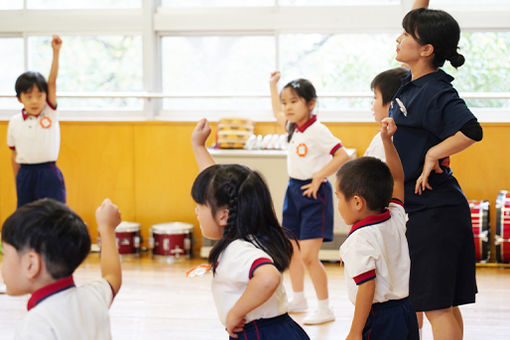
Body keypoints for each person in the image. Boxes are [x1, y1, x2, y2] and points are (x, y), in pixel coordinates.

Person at [390, 1, 483, 339]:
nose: (397, 38)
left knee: (435, 305)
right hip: (423, 208)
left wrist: (433, 154)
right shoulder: (413, 83)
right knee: (439, 303)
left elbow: (472, 129)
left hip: (435, 211)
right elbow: (414, 21)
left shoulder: (437, 90)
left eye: (406, 34)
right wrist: (418, 11)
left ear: (426, 49)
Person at [191, 118, 310, 340]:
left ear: (224, 215)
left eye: (200, 206)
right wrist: (199, 147)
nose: (197, 211)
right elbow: (218, 189)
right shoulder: (253, 235)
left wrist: (236, 312)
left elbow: (268, 277)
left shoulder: (238, 249)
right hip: (279, 330)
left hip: (259, 334)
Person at [269, 71, 350, 324]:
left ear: (310, 103)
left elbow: (342, 155)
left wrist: (318, 177)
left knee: (308, 256)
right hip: (293, 191)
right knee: (291, 251)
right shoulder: (293, 127)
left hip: (314, 194)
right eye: (285, 102)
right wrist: (273, 86)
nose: (287, 107)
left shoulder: (318, 130)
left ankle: (325, 307)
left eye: (294, 101)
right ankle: (299, 298)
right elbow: (276, 113)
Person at [338, 118, 419, 340]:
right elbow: (398, 178)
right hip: (406, 310)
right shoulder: (394, 216)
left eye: (338, 197)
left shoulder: (358, 240)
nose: (337, 205)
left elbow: (366, 288)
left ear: (356, 202)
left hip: (379, 317)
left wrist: (355, 331)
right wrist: (387, 140)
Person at [1, 198, 122, 339]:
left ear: (31, 264)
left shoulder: (35, 325)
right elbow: (112, 276)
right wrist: (106, 228)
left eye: (4, 254)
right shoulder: (94, 296)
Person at [7, 35, 65, 207]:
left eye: (39, 96)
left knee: (54, 214)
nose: (34, 101)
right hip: (25, 173)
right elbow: (14, 154)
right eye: (29, 96)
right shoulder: (15, 121)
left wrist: (55, 52)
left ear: (46, 96)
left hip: (48, 171)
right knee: (26, 215)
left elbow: (52, 82)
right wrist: (18, 179)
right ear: (20, 98)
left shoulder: (50, 113)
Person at [364, 67, 409, 161]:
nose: (372, 103)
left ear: (393, 103)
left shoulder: (385, 141)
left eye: (375, 97)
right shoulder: (385, 136)